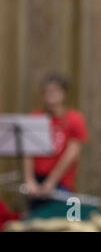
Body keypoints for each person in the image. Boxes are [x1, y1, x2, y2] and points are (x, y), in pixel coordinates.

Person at [24, 74, 88, 211]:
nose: (49, 95)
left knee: (62, 219)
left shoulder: (74, 118)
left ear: (64, 94)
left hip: (61, 182)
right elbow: (28, 152)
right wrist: (29, 180)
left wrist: (51, 182)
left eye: (54, 91)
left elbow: (71, 154)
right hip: (37, 180)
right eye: (46, 92)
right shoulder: (36, 116)